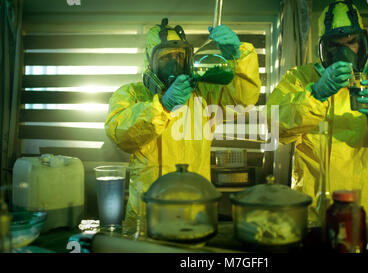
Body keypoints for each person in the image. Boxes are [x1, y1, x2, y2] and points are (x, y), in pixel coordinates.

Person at [267, 1, 368, 217]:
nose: (344, 52)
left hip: (366, 204)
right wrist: (315, 94)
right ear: (323, 47)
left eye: (351, 42)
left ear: (362, 42)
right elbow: (273, 125)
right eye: (335, 45)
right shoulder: (300, 78)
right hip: (312, 206)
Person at [105, 18, 261, 221]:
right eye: (165, 57)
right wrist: (162, 106)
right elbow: (120, 135)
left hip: (195, 211)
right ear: (150, 61)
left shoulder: (202, 94)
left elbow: (242, 99)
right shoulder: (131, 94)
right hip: (149, 213)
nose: (174, 63)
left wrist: (239, 56)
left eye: (179, 56)